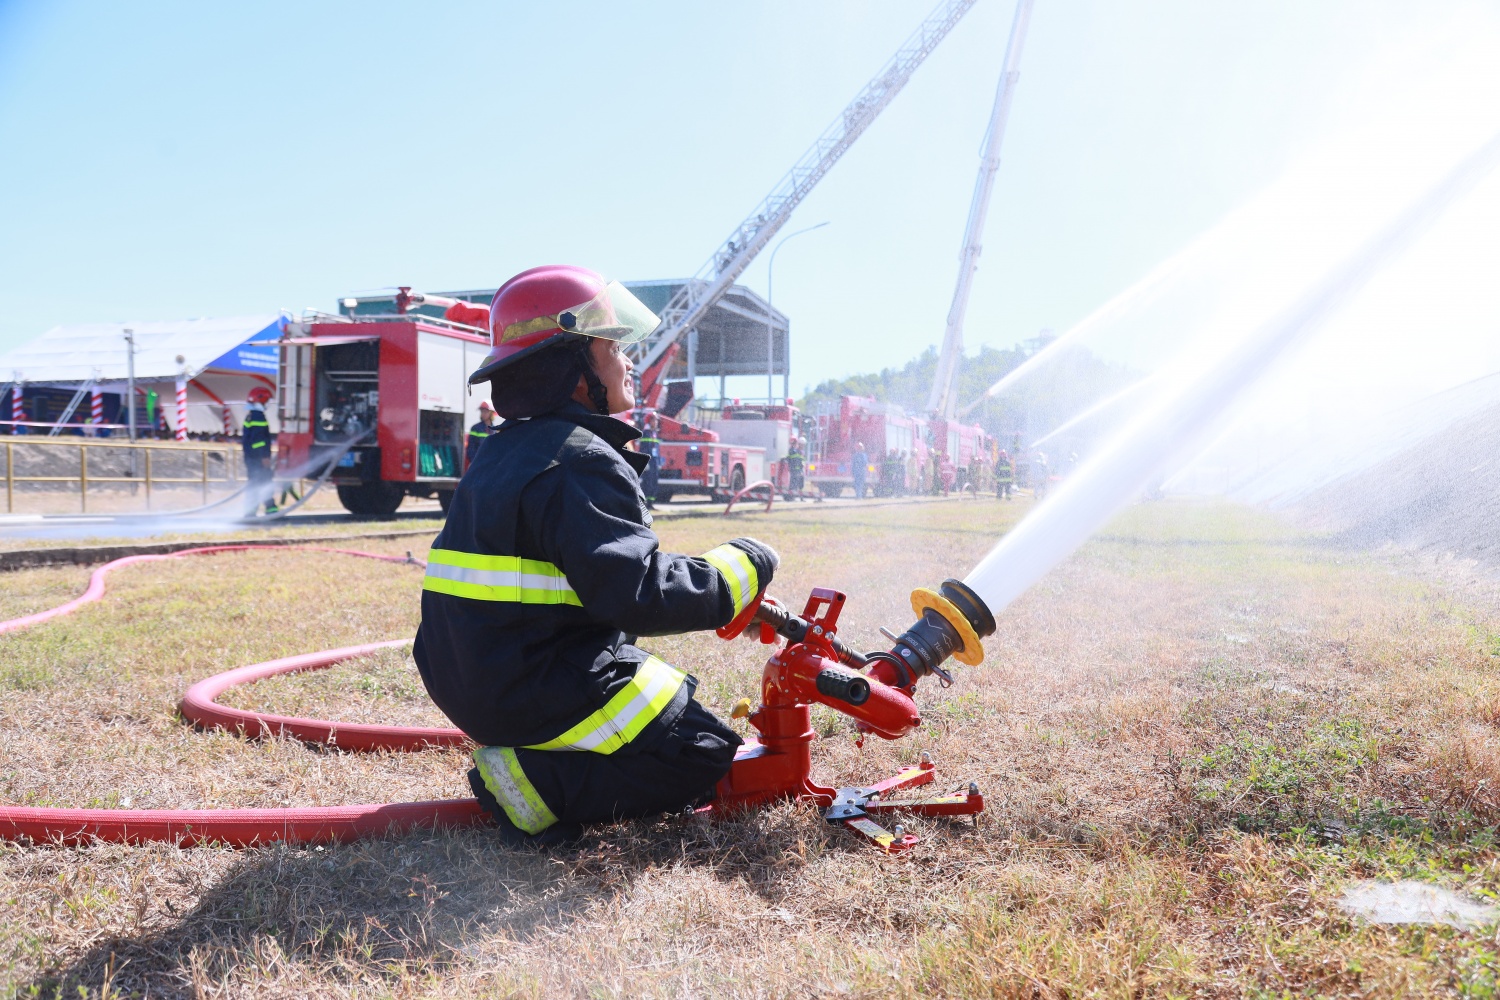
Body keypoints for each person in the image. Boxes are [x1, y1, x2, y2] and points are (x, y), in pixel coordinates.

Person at [413, 264, 779, 846]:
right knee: (703, 749)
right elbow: (639, 594)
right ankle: (532, 786)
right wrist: (745, 565)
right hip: (526, 686)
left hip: (473, 676)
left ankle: (540, 755)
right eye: (613, 347)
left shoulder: (507, 450)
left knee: (649, 701)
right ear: (574, 368)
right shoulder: (579, 459)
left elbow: (598, 568)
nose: (628, 361)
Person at [241, 386, 278, 517]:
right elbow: (259, 439)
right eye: (267, 401)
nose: (268, 404)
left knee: (257, 483)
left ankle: (255, 509)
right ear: (261, 400)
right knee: (264, 482)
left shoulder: (251, 415)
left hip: (251, 457)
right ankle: (269, 509)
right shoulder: (258, 416)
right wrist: (264, 457)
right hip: (258, 458)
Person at [637, 409, 661, 509]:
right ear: (649, 421)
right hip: (649, 462)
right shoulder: (646, 433)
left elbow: (657, 449)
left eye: (656, 420)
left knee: (654, 482)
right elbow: (643, 449)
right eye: (654, 420)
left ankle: (651, 503)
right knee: (647, 483)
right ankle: (644, 504)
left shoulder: (654, 433)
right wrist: (644, 462)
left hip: (654, 462)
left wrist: (659, 462)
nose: (656, 422)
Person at [466, 400, 497, 468]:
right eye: (482, 411)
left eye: (485, 411)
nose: (483, 414)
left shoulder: (495, 430)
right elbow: (471, 448)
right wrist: (474, 462)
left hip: (490, 464)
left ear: (491, 413)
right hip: (477, 463)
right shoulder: (475, 428)